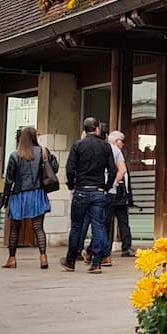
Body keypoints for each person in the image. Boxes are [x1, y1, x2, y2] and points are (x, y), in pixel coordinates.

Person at [63, 116, 117, 273]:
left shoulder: (78, 145)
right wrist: (106, 187)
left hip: (81, 189)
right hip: (98, 190)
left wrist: (72, 185)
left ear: (85, 130)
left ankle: (70, 260)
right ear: (97, 129)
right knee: (98, 226)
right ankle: (96, 262)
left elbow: (70, 168)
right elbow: (112, 170)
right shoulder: (105, 147)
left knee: (76, 227)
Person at [0, 126, 58, 268]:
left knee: (14, 229)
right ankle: (43, 257)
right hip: (37, 193)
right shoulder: (42, 152)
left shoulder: (15, 155)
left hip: (19, 194)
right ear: (34, 137)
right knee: (38, 227)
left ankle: (12, 259)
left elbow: (9, 179)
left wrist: (5, 197)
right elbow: (54, 168)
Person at [107, 130, 136, 256]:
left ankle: (126, 246)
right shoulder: (110, 152)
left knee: (123, 220)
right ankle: (106, 248)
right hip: (113, 190)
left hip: (120, 191)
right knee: (108, 221)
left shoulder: (119, 154)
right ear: (115, 141)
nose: (123, 144)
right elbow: (120, 172)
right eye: (121, 141)